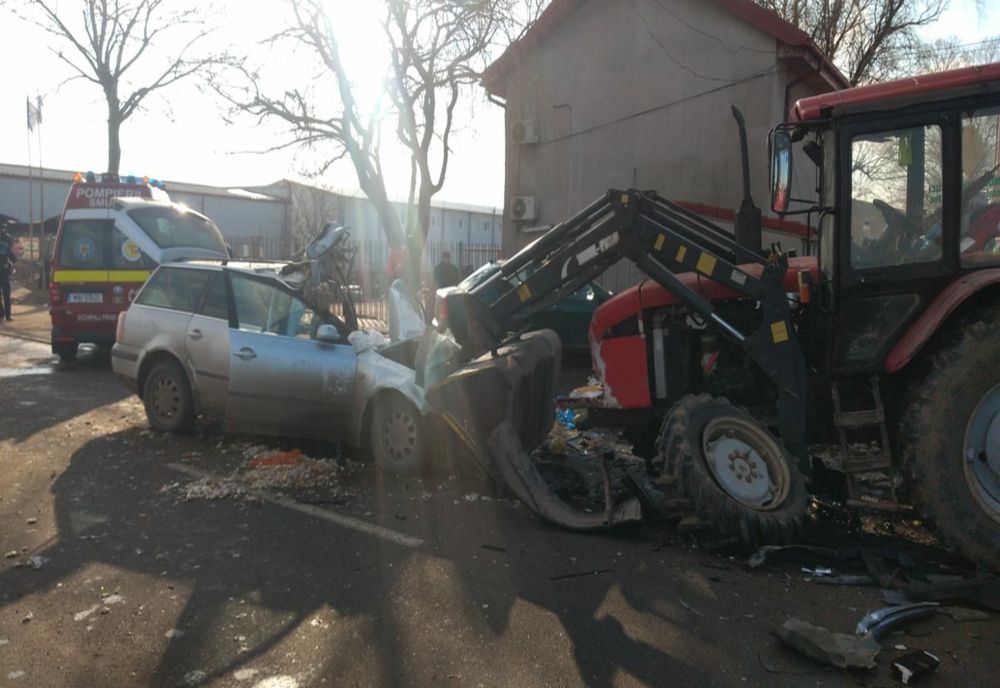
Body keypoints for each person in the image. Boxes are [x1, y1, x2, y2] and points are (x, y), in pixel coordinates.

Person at [0, 232, 16, 322]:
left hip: (4, 274)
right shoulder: (5, 247)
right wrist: (8, 265)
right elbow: (14, 259)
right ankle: (8, 316)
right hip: (5, 274)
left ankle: (1, 314)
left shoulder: (5, 247)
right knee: (7, 296)